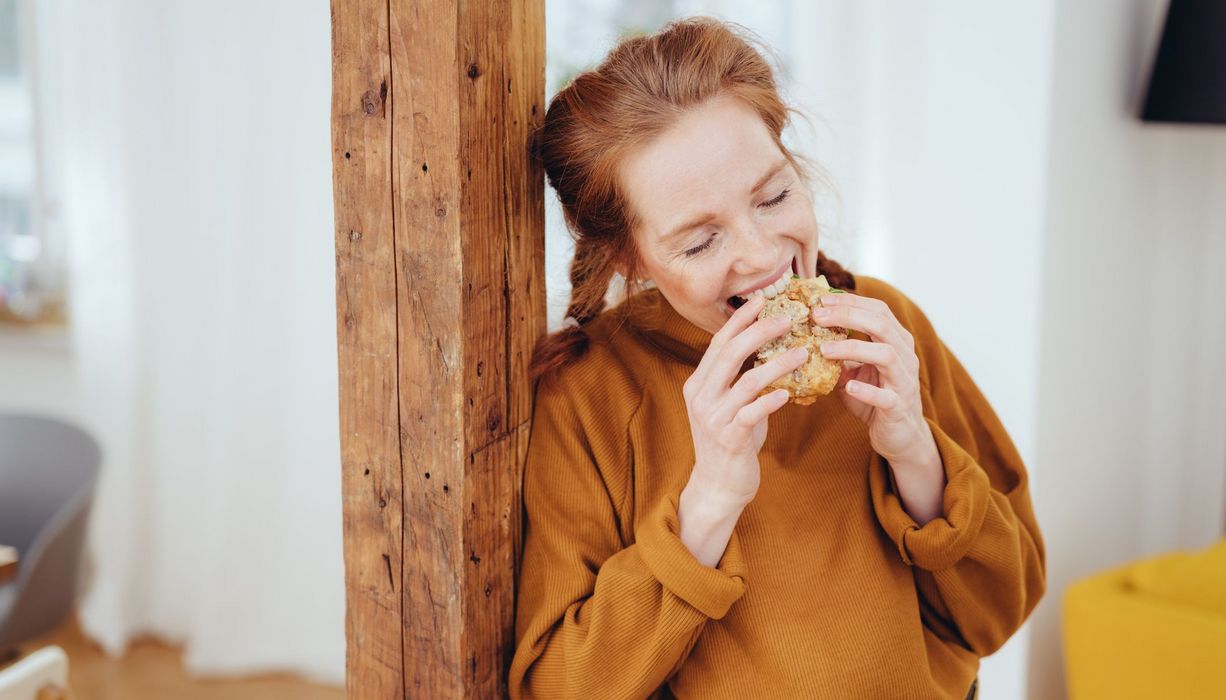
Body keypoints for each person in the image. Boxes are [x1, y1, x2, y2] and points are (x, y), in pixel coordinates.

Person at [509, 17, 1044, 700]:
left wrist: (916, 456)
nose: (763, 256)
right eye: (699, 243)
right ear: (625, 255)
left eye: (773, 196)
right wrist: (709, 502)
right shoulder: (588, 395)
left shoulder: (887, 327)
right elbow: (557, 687)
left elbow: (1001, 614)